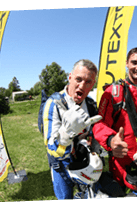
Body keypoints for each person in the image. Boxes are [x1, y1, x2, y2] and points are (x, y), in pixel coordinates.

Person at [92, 47, 137, 190]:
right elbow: (99, 124)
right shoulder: (113, 93)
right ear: (127, 63)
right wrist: (110, 140)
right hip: (120, 161)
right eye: (134, 62)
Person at [42, 59, 102, 199]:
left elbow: (95, 133)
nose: (81, 86)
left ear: (93, 84)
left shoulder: (91, 104)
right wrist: (67, 133)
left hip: (85, 162)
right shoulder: (54, 104)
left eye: (88, 82)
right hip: (61, 166)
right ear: (70, 77)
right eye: (78, 79)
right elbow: (52, 148)